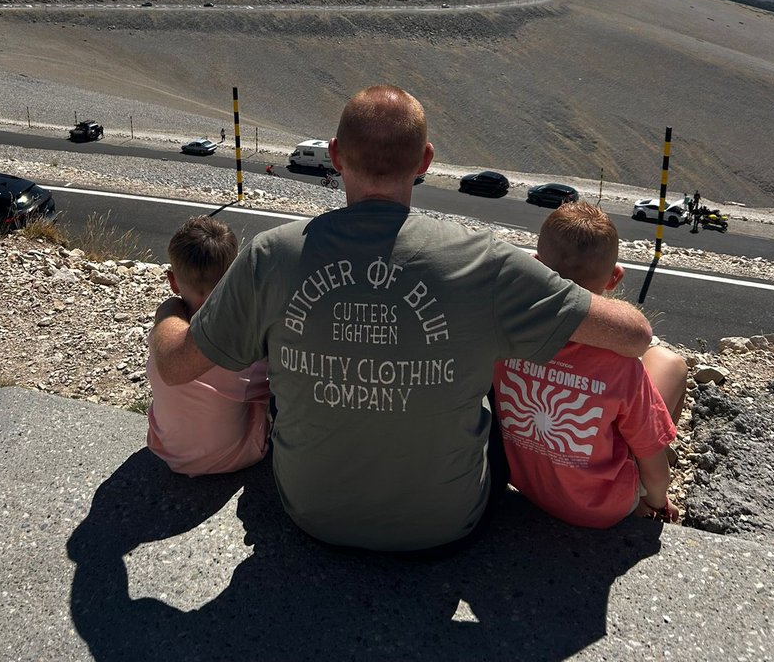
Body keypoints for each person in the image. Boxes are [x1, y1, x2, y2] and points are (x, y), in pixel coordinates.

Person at [152, 85, 653, 552]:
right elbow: (635, 337)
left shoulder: (271, 255)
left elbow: (176, 366)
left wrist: (170, 310)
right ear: (426, 161)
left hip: (310, 514)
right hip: (445, 528)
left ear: (334, 156)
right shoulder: (482, 260)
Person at [493, 203, 686, 529]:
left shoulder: (503, 335)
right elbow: (655, 469)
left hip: (527, 485)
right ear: (614, 278)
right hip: (602, 508)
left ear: (537, 265)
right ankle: (638, 482)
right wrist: (654, 499)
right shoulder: (620, 364)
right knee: (670, 363)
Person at [146, 216, 270, 476]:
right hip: (236, 457)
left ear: (173, 281)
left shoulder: (162, 335)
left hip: (168, 453)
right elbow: (274, 386)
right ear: (234, 277)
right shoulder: (243, 346)